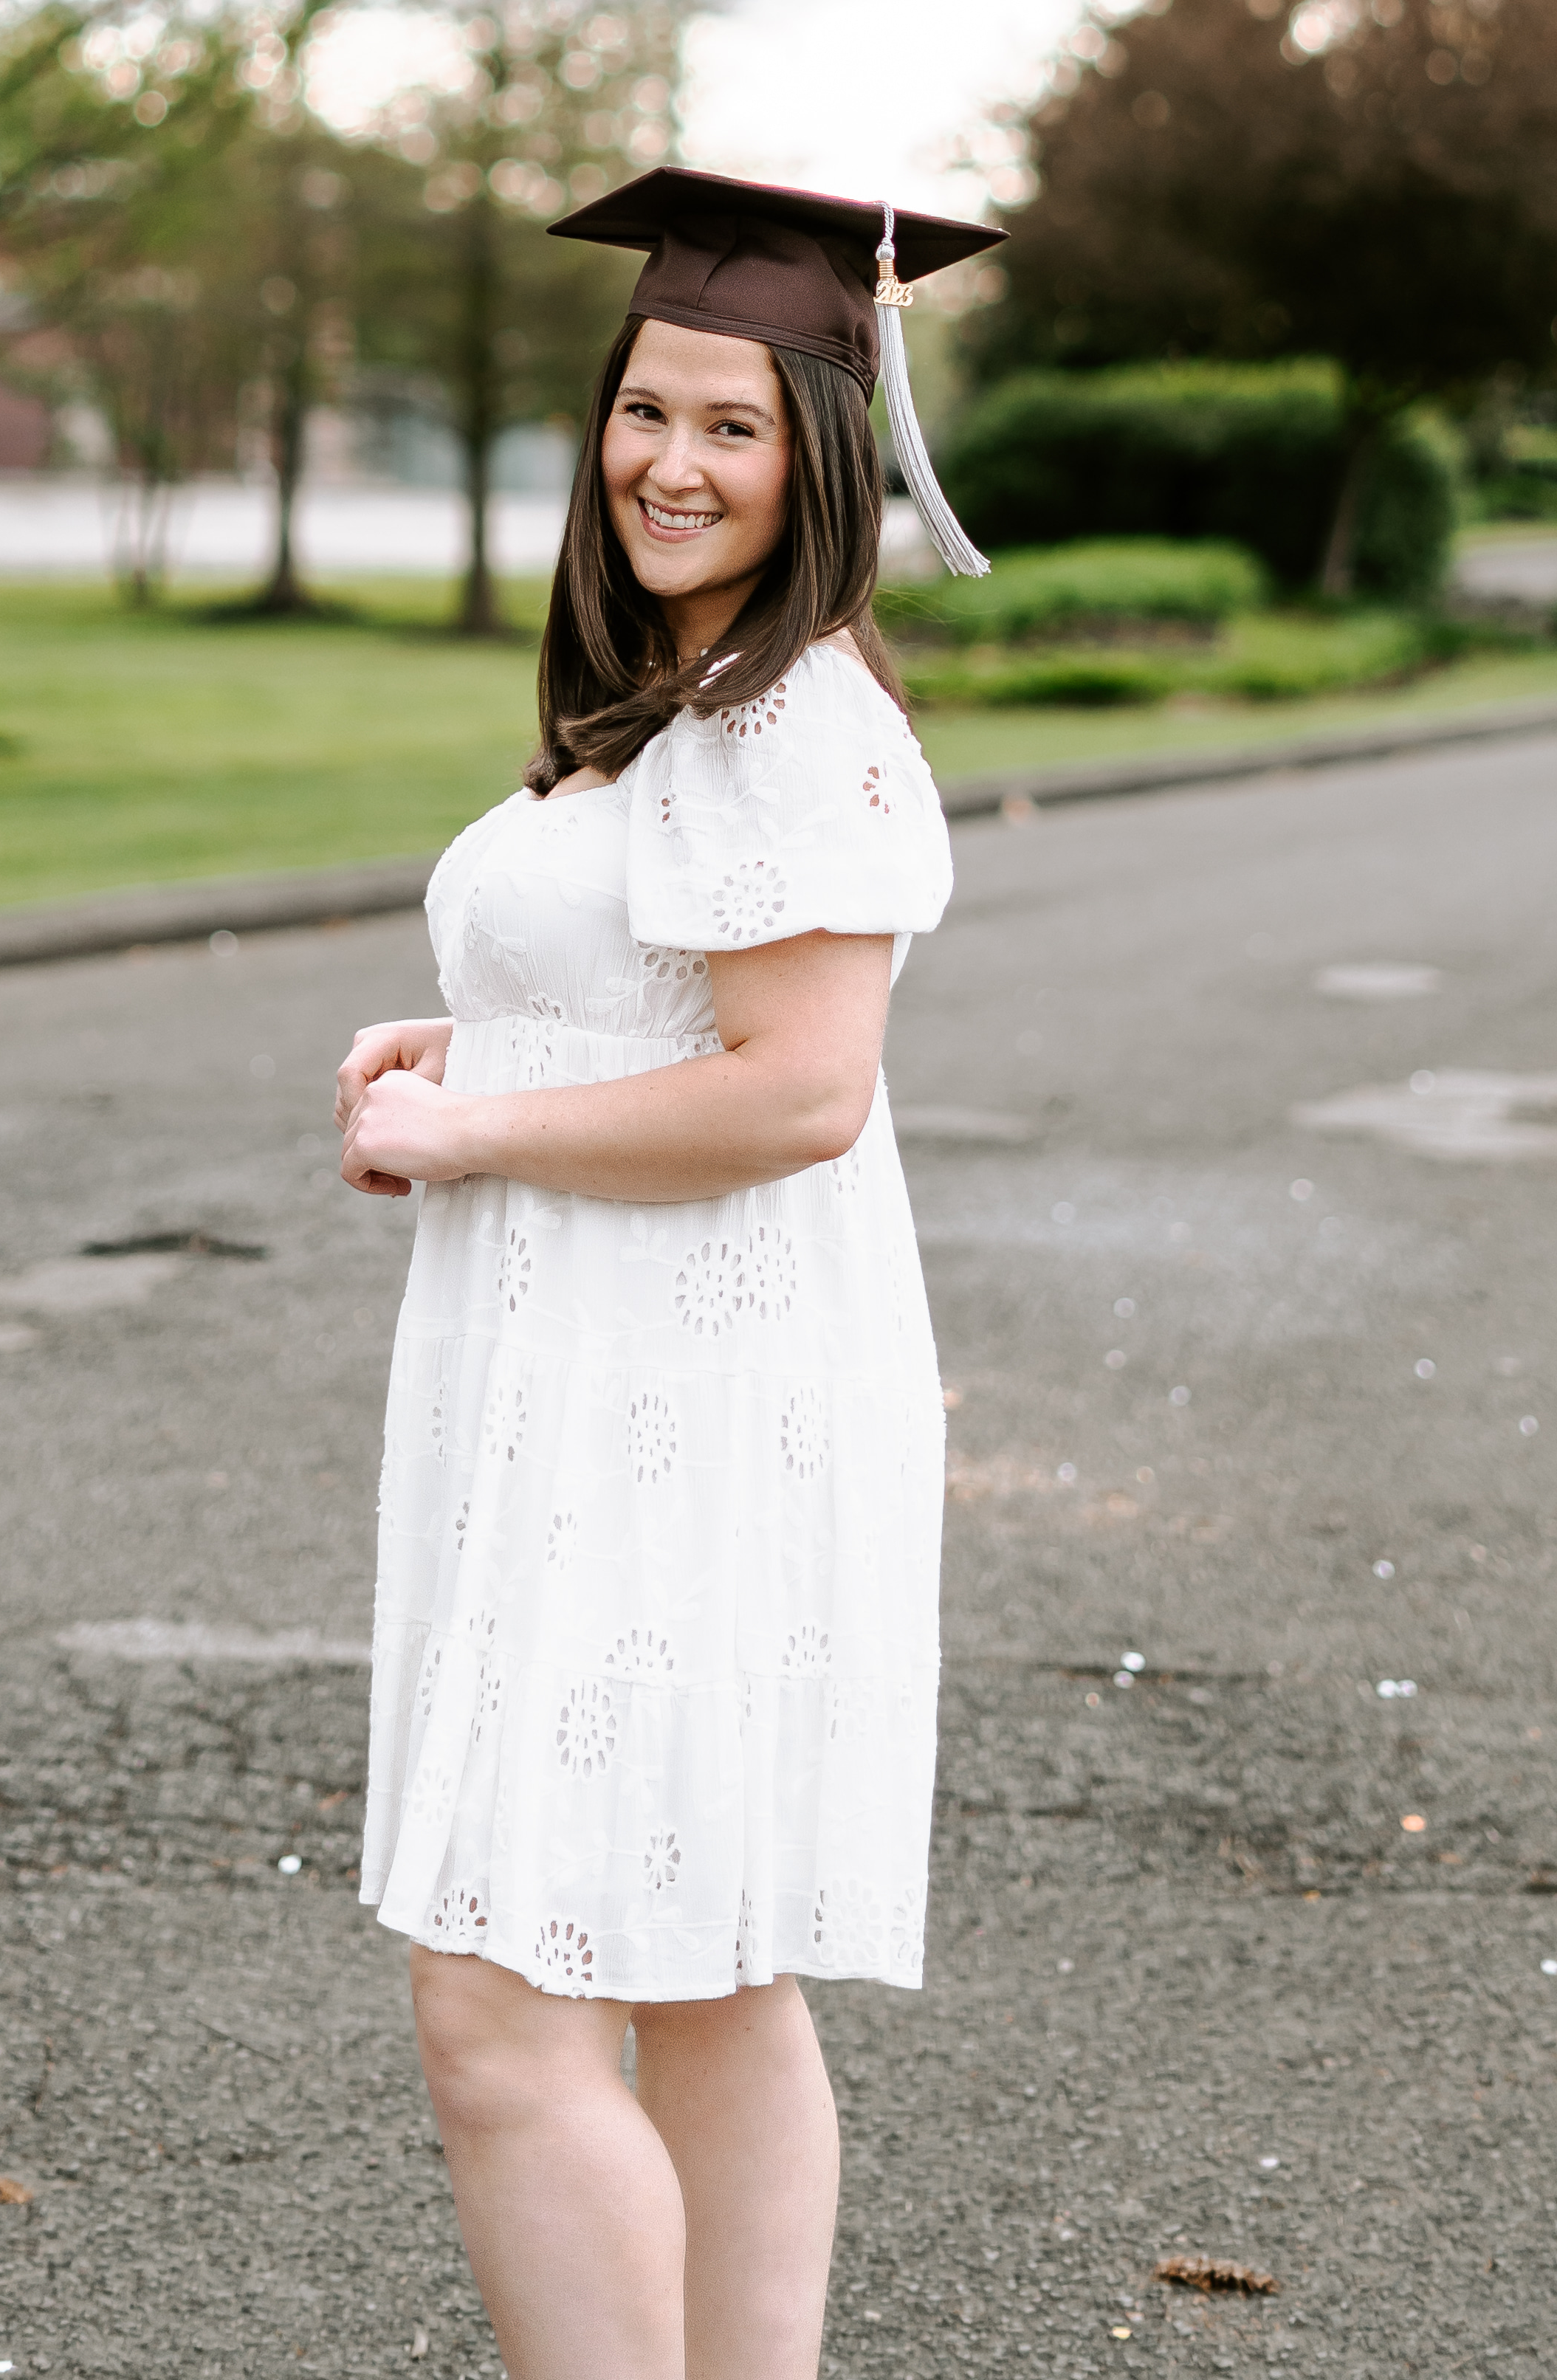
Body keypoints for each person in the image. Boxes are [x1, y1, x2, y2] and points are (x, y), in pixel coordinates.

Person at [334, 167, 1000, 2380]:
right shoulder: (692, 704)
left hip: (672, 1419)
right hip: (608, 1392)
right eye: (645, 410)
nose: (672, 462)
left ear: (821, 454)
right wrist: (470, 1044)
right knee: (706, 1968)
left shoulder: (788, 717)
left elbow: (801, 1089)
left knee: (500, 1999)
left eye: (734, 424)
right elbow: (668, 998)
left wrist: (475, 1128)